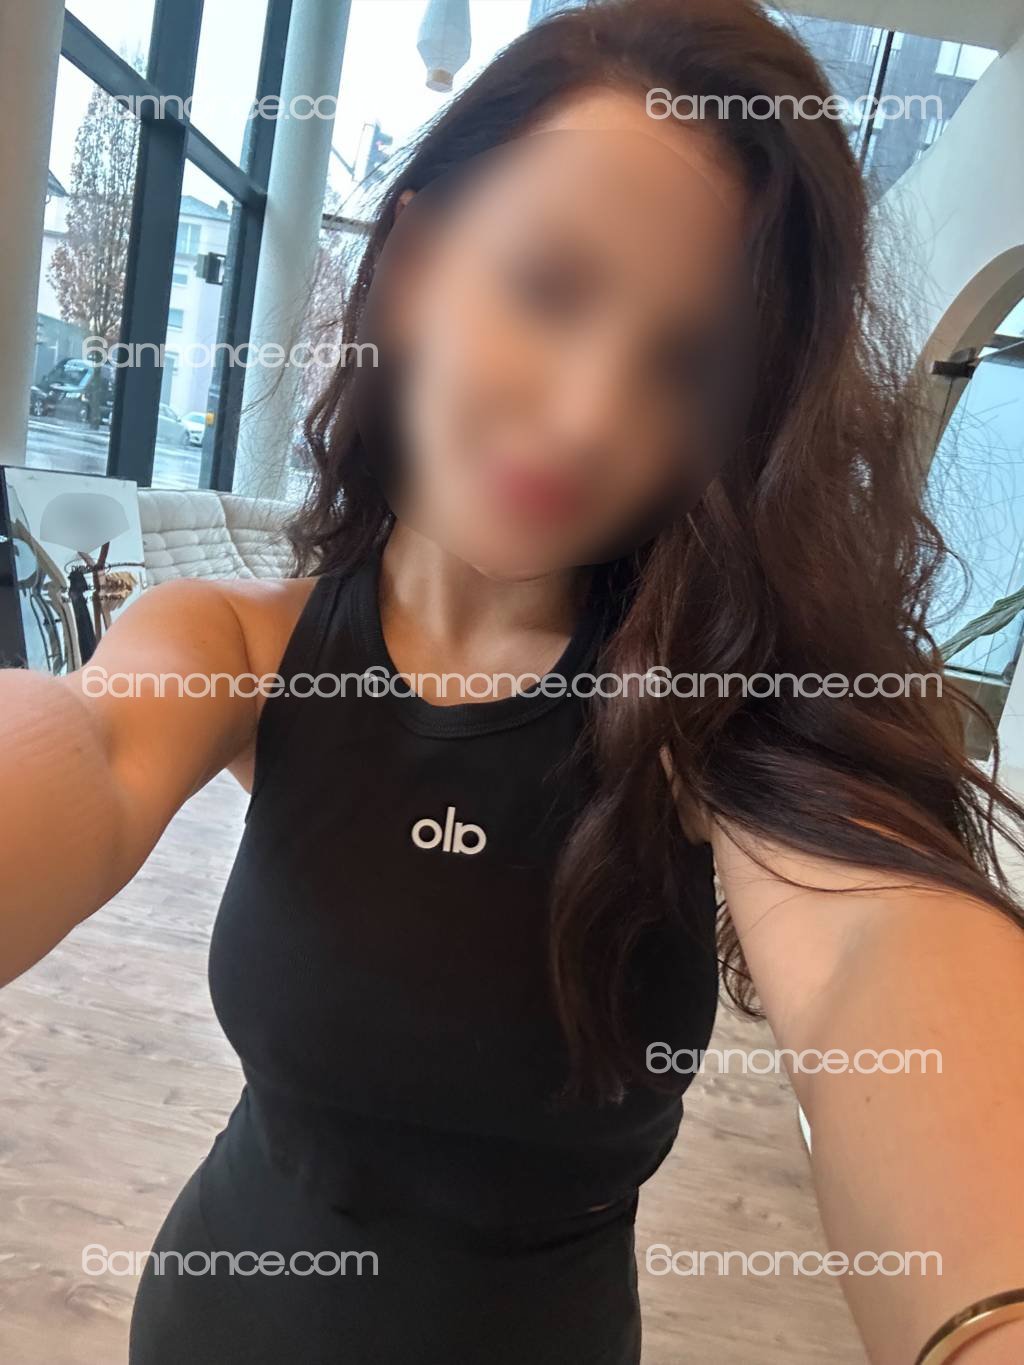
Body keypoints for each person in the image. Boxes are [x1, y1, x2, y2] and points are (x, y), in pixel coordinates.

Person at [2, 2, 1023, 1362]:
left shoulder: (715, 716)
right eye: (549, 287)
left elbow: (870, 949)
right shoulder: (235, 648)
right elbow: (86, 740)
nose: (592, 415)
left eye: (686, 366)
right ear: (416, 264)